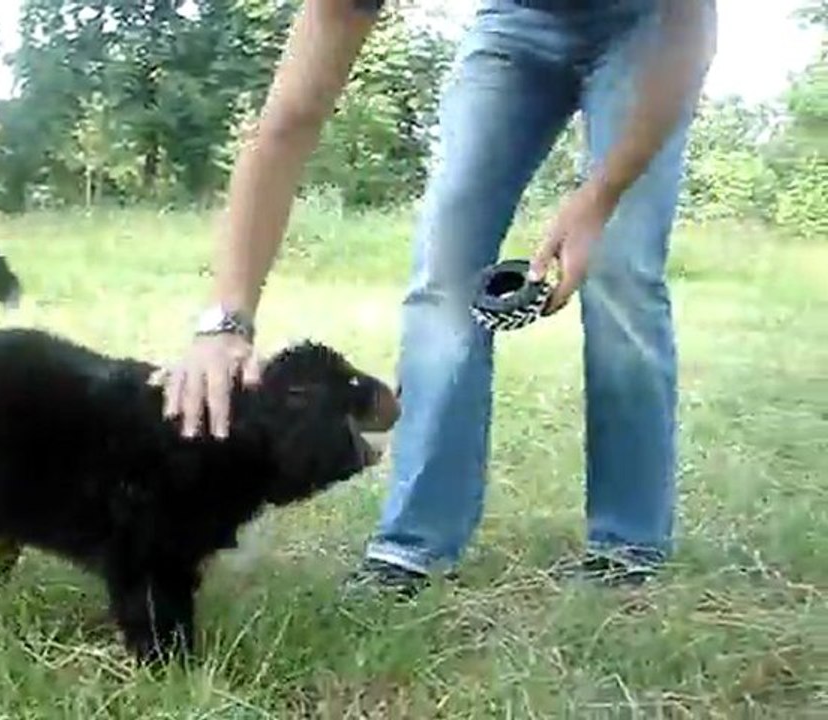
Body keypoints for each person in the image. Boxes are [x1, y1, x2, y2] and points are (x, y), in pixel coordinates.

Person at [155, 0, 717, 597]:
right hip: (515, 27)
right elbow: (286, 123)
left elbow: (691, 26)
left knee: (620, 266)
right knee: (445, 272)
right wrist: (224, 321)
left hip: (647, 23)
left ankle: (627, 547)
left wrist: (602, 194)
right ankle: (414, 543)